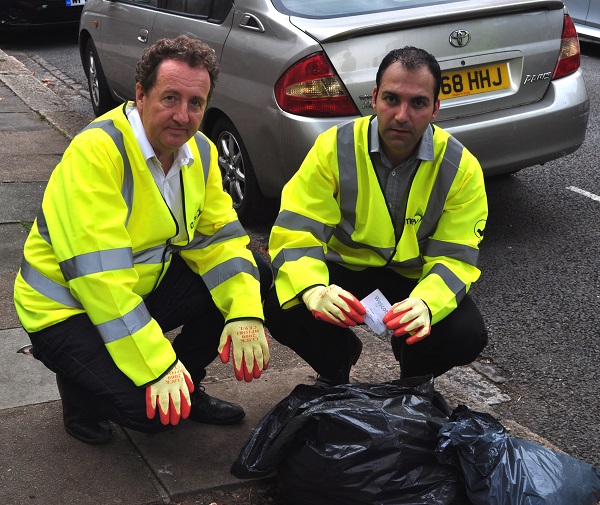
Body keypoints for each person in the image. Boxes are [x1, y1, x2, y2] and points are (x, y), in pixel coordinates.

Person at [13, 35, 271, 445]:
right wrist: (155, 363)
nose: (183, 116)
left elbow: (219, 240)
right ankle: (79, 393)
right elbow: (100, 279)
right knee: (151, 417)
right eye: (170, 98)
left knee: (255, 271)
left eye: (195, 103)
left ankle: (187, 383)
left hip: (135, 290)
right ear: (140, 95)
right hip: (65, 307)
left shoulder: (200, 152)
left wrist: (244, 313)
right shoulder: (96, 153)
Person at [264, 46, 488, 385]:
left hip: (413, 280)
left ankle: (412, 380)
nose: (401, 115)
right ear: (374, 98)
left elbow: (456, 256)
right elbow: (297, 233)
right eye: (391, 99)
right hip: (344, 271)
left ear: (435, 108)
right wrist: (313, 290)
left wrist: (426, 305)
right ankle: (337, 359)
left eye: (418, 103)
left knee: (466, 334)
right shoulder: (332, 148)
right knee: (281, 304)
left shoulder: (461, 168)